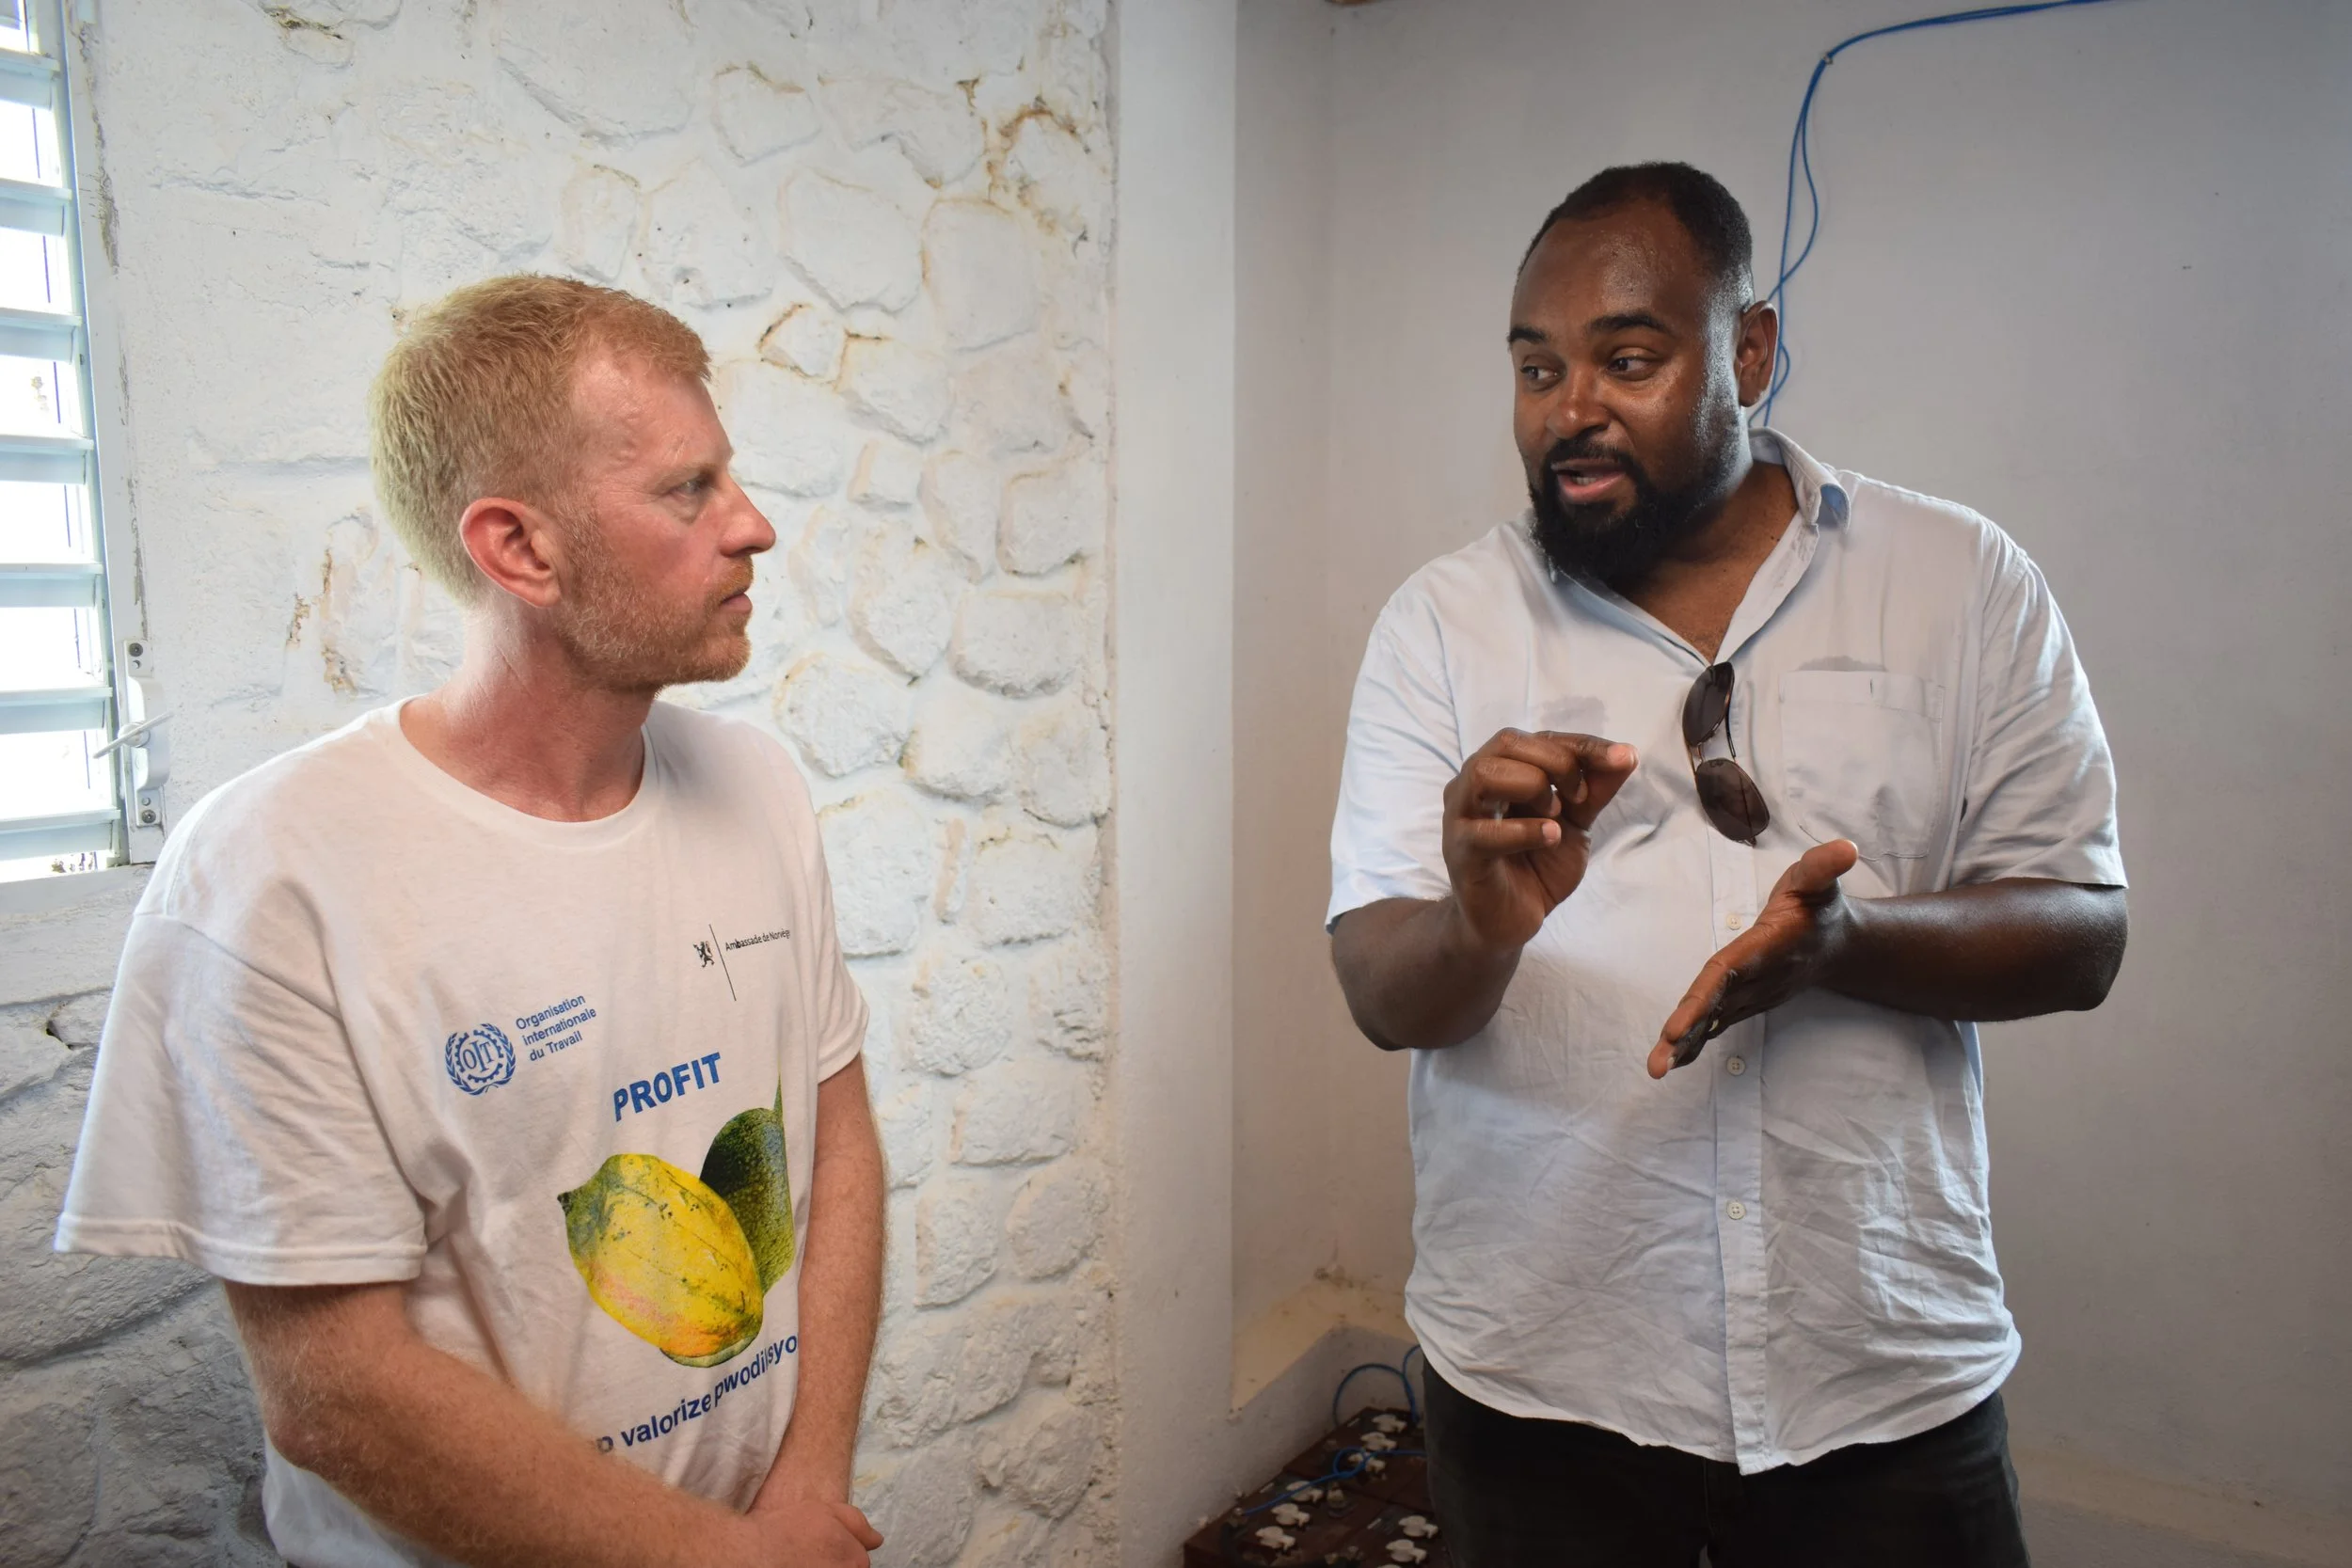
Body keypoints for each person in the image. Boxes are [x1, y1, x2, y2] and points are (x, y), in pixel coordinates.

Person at [1327, 164, 2127, 1567]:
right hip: (1541, 1378)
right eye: (1537, 368)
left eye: (1628, 360)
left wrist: (1849, 948)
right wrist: (1476, 925)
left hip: (1875, 1372)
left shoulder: (1960, 580)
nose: (1570, 409)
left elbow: (2083, 932)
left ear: (1748, 353)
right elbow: (1384, 997)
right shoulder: (1441, 624)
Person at [55, 276, 887, 1568]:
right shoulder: (271, 876)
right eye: (689, 489)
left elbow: (836, 1143)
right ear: (521, 550)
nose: (754, 525)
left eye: (728, 475)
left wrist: (807, 1489)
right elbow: (339, 1394)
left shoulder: (758, 787)